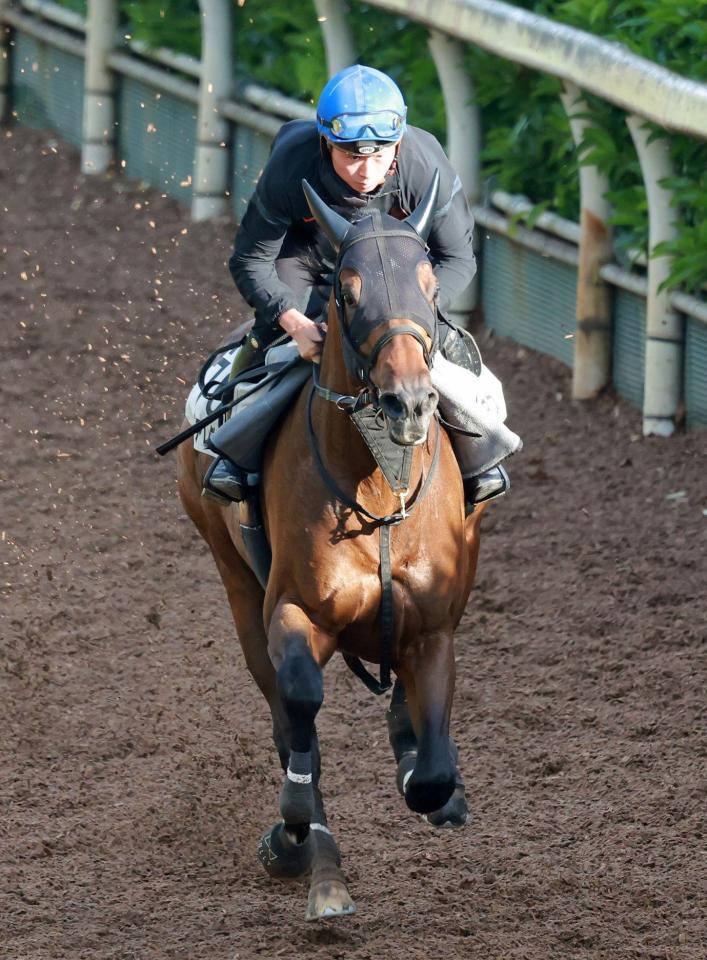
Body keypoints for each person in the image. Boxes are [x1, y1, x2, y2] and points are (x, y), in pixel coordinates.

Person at [207, 64, 512, 508]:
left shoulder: (426, 166)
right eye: (351, 155)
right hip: (309, 261)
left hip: (400, 273)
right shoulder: (291, 165)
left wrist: (414, 314)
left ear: (399, 144)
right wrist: (293, 322)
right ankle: (234, 457)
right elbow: (251, 258)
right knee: (274, 346)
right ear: (325, 142)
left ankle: (480, 457)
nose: (366, 171)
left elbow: (459, 258)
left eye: (380, 155)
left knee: (439, 349)